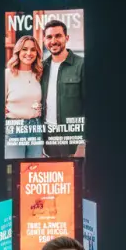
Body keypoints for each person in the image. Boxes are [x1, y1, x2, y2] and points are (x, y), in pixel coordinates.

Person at [38, 20, 85, 158]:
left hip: (73, 138)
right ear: (44, 40)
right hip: (47, 137)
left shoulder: (81, 65)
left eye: (58, 36)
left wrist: (83, 142)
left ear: (67, 38)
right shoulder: (41, 67)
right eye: (49, 37)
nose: (53, 41)